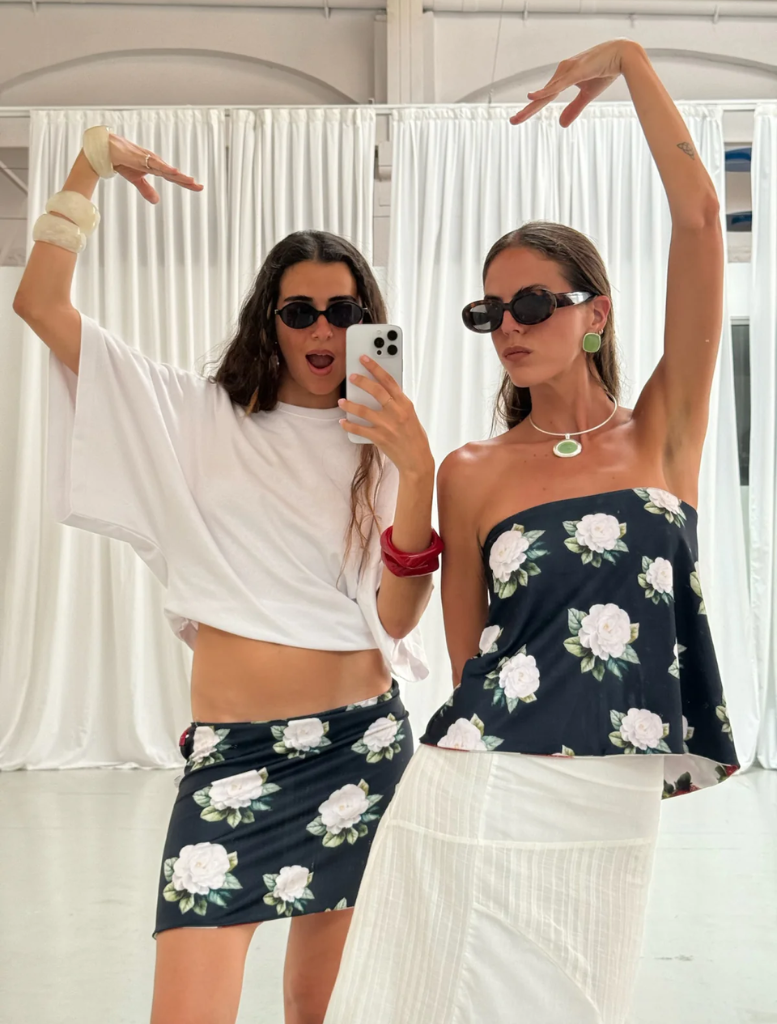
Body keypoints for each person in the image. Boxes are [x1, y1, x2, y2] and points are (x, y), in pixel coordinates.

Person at [324, 40, 739, 1024]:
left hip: (610, 791)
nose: (510, 323)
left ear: (593, 316)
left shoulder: (664, 429)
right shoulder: (473, 471)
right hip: (484, 776)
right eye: (491, 309)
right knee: (442, 993)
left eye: (533, 302)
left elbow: (699, 219)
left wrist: (633, 65)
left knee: (578, 995)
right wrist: (417, 473)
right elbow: (467, 657)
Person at [12, 128, 439, 1024]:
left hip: (361, 748)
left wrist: (417, 471)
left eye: (341, 310)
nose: (321, 329)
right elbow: (42, 307)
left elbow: (396, 619)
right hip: (233, 759)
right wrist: (86, 169)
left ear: (367, 320)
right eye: (298, 312)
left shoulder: (385, 443)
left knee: (317, 1011)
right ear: (268, 321)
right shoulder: (193, 414)